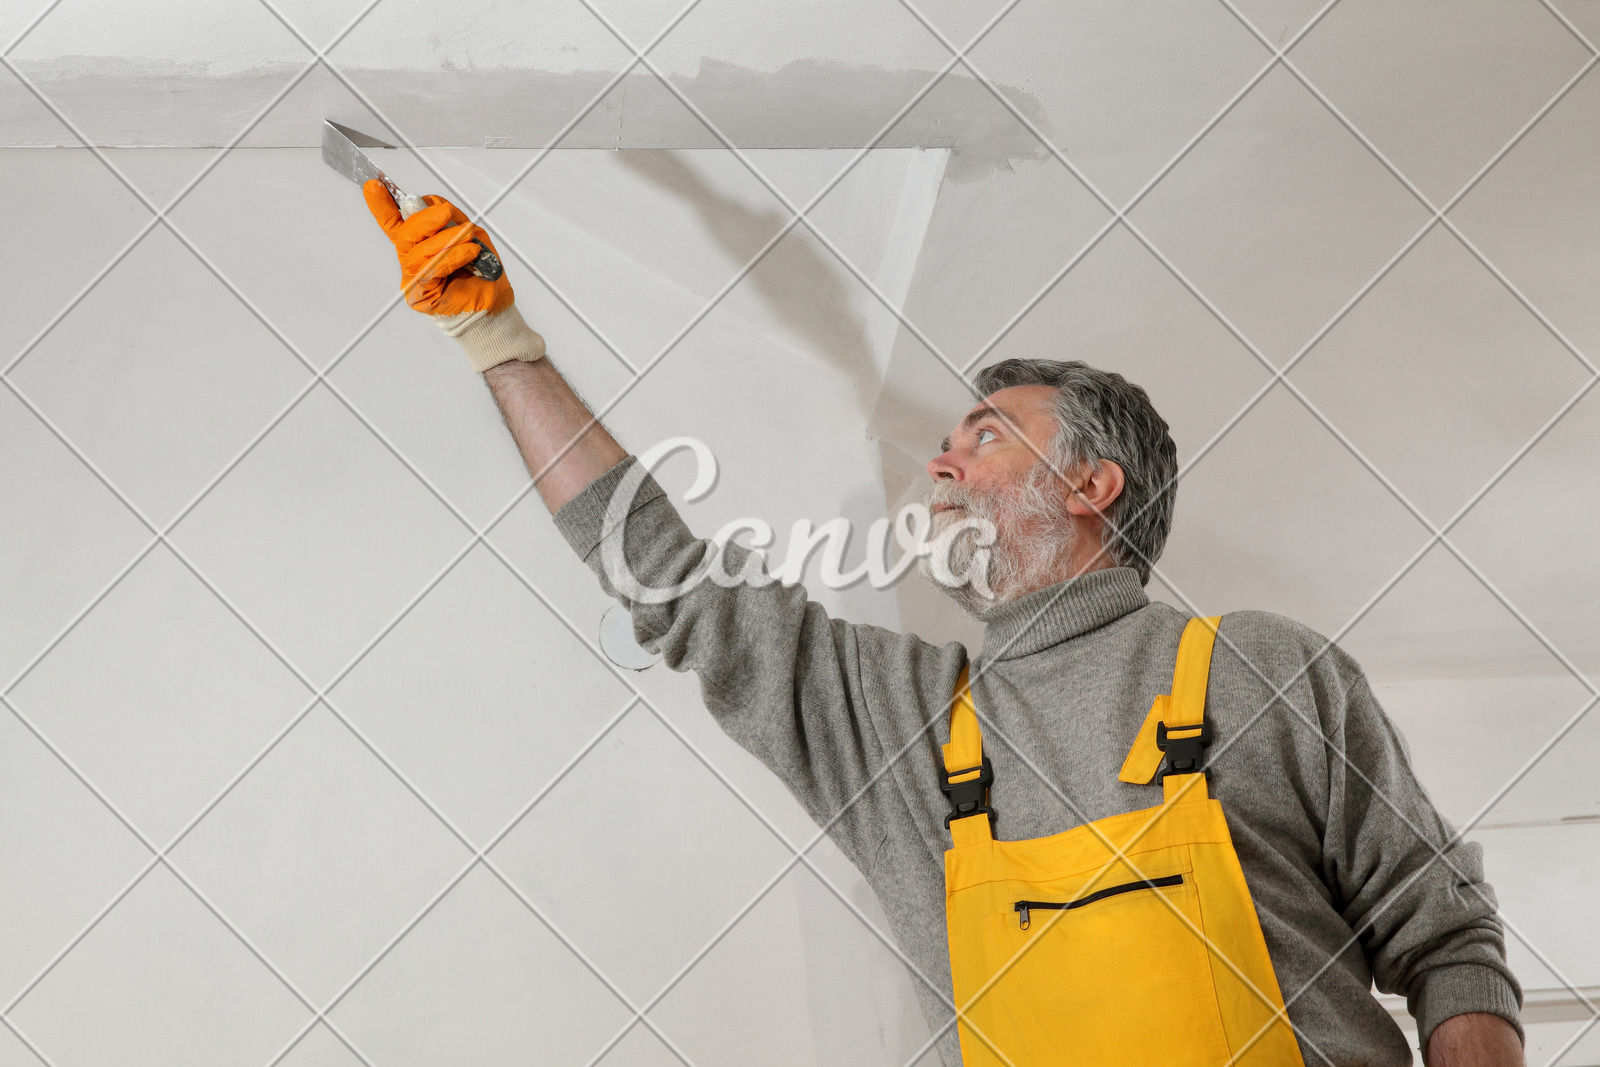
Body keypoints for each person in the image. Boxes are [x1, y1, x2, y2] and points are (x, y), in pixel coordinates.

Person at [363, 183, 1526, 1066]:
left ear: (1088, 485)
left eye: (984, 434)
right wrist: (497, 341)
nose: (938, 459)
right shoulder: (899, 722)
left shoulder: (1265, 666)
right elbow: (666, 573)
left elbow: (1443, 938)